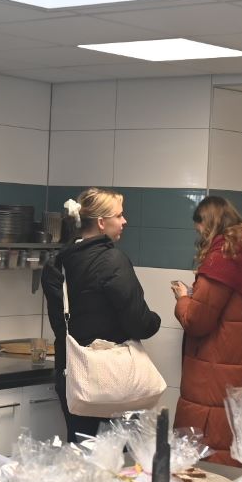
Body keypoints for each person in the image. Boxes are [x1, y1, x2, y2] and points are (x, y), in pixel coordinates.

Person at [41, 188, 161, 441]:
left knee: (83, 455)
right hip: (112, 379)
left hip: (73, 377)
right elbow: (138, 323)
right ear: (101, 222)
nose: (124, 221)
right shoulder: (112, 260)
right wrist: (155, 320)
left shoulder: (56, 264)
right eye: (119, 215)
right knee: (120, 465)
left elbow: (59, 324)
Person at [171, 196, 242, 465]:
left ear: (208, 225)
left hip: (217, 383)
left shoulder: (224, 258)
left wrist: (183, 299)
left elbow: (197, 321)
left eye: (200, 230)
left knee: (212, 460)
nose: (199, 238)